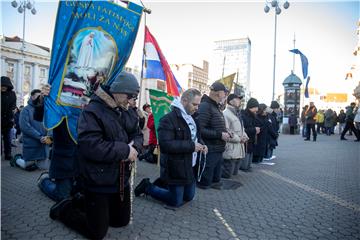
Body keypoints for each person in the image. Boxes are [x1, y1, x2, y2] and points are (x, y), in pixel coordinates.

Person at [49, 71, 140, 240]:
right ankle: (64, 208)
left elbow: (137, 134)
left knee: (121, 221)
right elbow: (91, 146)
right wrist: (125, 150)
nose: (132, 101)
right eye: (130, 96)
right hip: (97, 178)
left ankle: (84, 202)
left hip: (120, 178)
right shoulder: (92, 110)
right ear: (118, 91)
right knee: (97, 232)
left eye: (134, 96)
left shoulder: (128, 110)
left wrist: (136, 148)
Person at [135, 88, 207, 207]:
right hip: (175, 167)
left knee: (189, 197)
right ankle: (148, 187)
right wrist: (192, 146)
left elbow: (197, 137)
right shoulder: (167, 119)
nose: (197, 108)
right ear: (184, 101)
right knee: (176, 201)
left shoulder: (194, 118)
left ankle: (164, 185)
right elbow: (165, 145)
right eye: (194, 104)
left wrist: (203, 145)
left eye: (198, 105)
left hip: (190, 165)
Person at [37, 84, 79, 202]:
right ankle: (44, 181)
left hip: (81, 163)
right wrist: (43, 98)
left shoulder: (85, 106)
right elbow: (39, 115)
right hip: (63, 162)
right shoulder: (59, 105)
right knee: (63, 197)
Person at [197, 82, 229, 189]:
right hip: (210, 150)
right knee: (205, 183)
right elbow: (200, 129)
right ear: (219, 93)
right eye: (225, 93)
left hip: (217, 149)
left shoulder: (215, 107)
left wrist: (226, 133)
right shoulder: (206, 106)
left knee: (215, 181)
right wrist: (220, 135)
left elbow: (216, 126)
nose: (225, 96)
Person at [17, 89, 52, 170]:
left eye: (41, 96)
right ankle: (17, 159)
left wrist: (49, 136)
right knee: (29, 167)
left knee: (43, 167)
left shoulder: (45, 109)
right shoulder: (26, 110)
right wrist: (39, 137)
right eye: (38, 96)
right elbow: (25, 127)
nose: (40, 98)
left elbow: (50, 124)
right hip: (31, 143)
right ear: (32, 97)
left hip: (43, 144)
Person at [221, 94, 248, 178]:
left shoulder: (237, 113)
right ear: (230, 101)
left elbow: (241, 128)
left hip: (239, 148)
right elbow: (226, 130)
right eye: (237, 99)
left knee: (234, 174)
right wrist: (239, 139)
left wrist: (245, 136)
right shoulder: (225, 114)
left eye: (240, 99)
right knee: (227, 175)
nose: (239, 101)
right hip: (230, 149)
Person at [240, 98, 260, 171]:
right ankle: (244, 167)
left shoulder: (254, 116)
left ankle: (248, 166)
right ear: (250, 107)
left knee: (250, 153)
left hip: (252, 139)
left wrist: (256, 129)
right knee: (246, 153)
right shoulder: (243, 115)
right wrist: (254, 129)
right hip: (246, 139)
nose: (256, 109)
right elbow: (243, 129)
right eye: (255, 107)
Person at [1, 76, 17, 160]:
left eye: (5, 85)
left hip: (8, 119)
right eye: (1, 85)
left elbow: (14, 104)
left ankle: (8, 154)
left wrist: (14, 109)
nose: (3, 87)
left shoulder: (12, 94)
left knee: (7, 138)